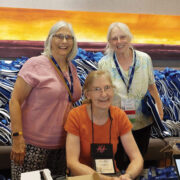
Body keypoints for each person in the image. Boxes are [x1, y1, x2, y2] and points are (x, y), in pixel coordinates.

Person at [9, 21, 82, 180]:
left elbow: (71, 100)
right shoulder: (35, 64)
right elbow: (14, 100)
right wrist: (17, 137)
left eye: (68, 37)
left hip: (63, 146)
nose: (64, 41)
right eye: (59, 36)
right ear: (50, 39)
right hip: (32, 146)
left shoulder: (72, 68)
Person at [98, 22, 163, 170]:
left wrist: (159, 107)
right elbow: (101, 93)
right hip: (116, 123)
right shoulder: (104, 63)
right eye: (114, 38)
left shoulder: (145, 59)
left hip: (142, 121)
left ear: (130, 38)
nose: (119, 42)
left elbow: (151, 86)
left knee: (138, 161)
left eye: (122, 37)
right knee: (118, 163)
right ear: (109, 42)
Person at [65, 70, 143, 180]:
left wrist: (128, 175)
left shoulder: (119, 116)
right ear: (87, 94)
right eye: (97, 89)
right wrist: (105, 179)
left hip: (113, 176)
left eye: (107, 88)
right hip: (83, 177)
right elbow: (72, 163)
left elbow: (137, 158)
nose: (104, 94)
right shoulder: (76, 116)